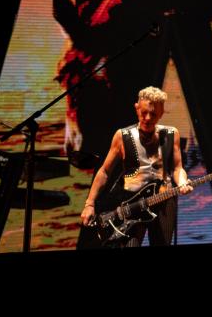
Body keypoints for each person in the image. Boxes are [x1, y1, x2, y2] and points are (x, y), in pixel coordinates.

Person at [80, 86, 192, 246]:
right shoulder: (122, 136)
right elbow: (104, 171)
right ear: (136, 108)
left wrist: (182, 182)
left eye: (153, 114)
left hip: (163, 201)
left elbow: (177, 168)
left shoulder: (171, 134)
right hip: (132, 204)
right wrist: (89, 204)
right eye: (144, 112)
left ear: (161, 113)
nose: (147, 118)